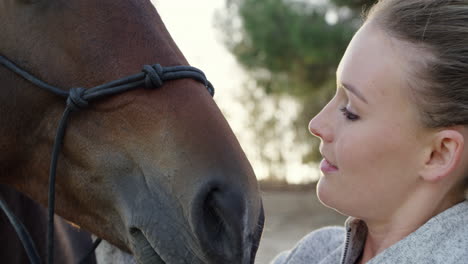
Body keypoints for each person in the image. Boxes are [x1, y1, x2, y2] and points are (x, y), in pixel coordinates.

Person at [271, 0, 468, 263]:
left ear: (438, 154)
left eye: (350, 111)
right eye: (335, 95)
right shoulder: (315, 253)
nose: (317, 124)